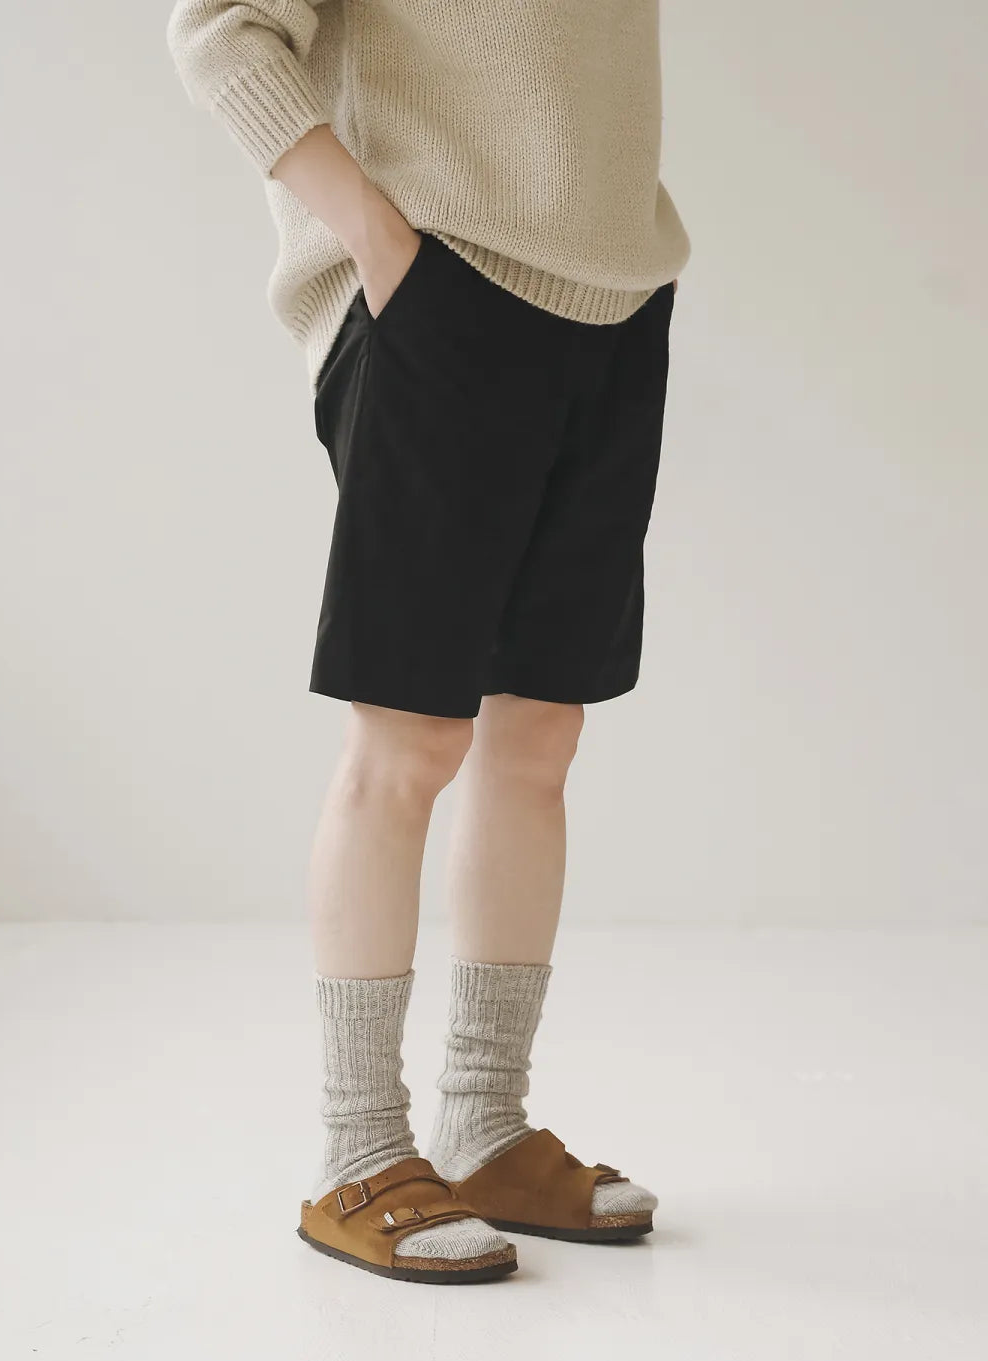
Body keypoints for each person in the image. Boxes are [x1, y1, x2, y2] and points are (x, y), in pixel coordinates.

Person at [166, 0, 690, 1284]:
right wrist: (374, 236)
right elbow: (221, 28)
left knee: (540, 736)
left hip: (615, 302)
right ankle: (357, 1152)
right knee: (409, 739)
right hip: (439, 288)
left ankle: (484, 1124)